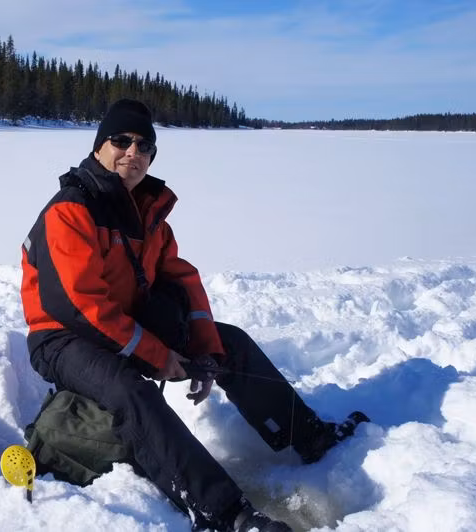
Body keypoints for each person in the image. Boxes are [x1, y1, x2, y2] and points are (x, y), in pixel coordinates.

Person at [19, 99, 366, 532]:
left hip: (122, 327)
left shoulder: (148, 215)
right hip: (63, 338)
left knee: (230, 343)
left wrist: (204, 347)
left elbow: (182, 279)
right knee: (130, 391)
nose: (133, 152)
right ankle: (223, 513)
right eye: (121, 141)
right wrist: (155, 354)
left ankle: (309, 436)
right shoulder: (71, 211)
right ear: (98, 146)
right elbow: (80, 306)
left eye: (144, 145)